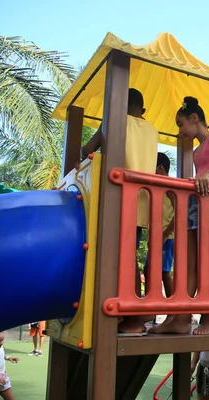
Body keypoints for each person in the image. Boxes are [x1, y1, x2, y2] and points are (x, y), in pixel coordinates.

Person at [150, 96, 209, 335]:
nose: (180, 130)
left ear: (194, 119)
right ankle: (179, 317)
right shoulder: (195, 151)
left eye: (181, 124)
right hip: (194, 203)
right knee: (188, 263)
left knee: (205, 262)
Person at [79, 88, 159, 334]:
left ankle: (130, 316)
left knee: (115, 256)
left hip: (117, 197)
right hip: (143, 200)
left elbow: (87, 149)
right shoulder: (152, 129)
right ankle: (132, 314)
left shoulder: (114, 121)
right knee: (129, 255)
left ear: (120, 104)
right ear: (142, 110)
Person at [144, 152, 175, 298]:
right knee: (148, 270)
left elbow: (180, 211)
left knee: (163, 272)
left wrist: (165, 233)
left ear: (160, 168)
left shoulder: (169, 187)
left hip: (166, 237)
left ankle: (173, 311)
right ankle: (151, 307)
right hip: (157, 236)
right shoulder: (158, 188)